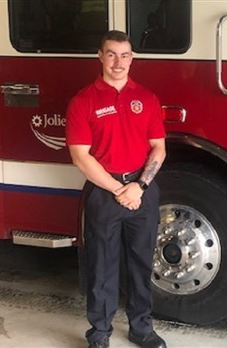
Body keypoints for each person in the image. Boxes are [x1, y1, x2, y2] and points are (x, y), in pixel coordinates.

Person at [66, 30, 167, 348]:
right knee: (101, 265)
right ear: (100, 56)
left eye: (124, 55)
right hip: (103, 190)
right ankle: (99, 332)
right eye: (111, 54)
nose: (118, 62)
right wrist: (118, 189)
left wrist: (139, 186)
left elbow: (159, 149)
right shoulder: (83, 101)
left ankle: (142, 329)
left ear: (132, 58)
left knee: (141, 263)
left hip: (142, 191)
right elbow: (80, 157)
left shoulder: (148, 99)